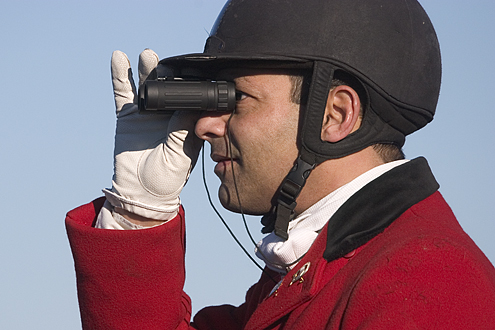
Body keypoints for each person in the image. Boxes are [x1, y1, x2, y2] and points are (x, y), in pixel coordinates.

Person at [66, 0, 495, 329]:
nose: (205, 126)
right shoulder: (328, 267)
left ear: (334, 115)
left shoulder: (426, 281)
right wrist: (137, 212)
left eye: (237, 98)